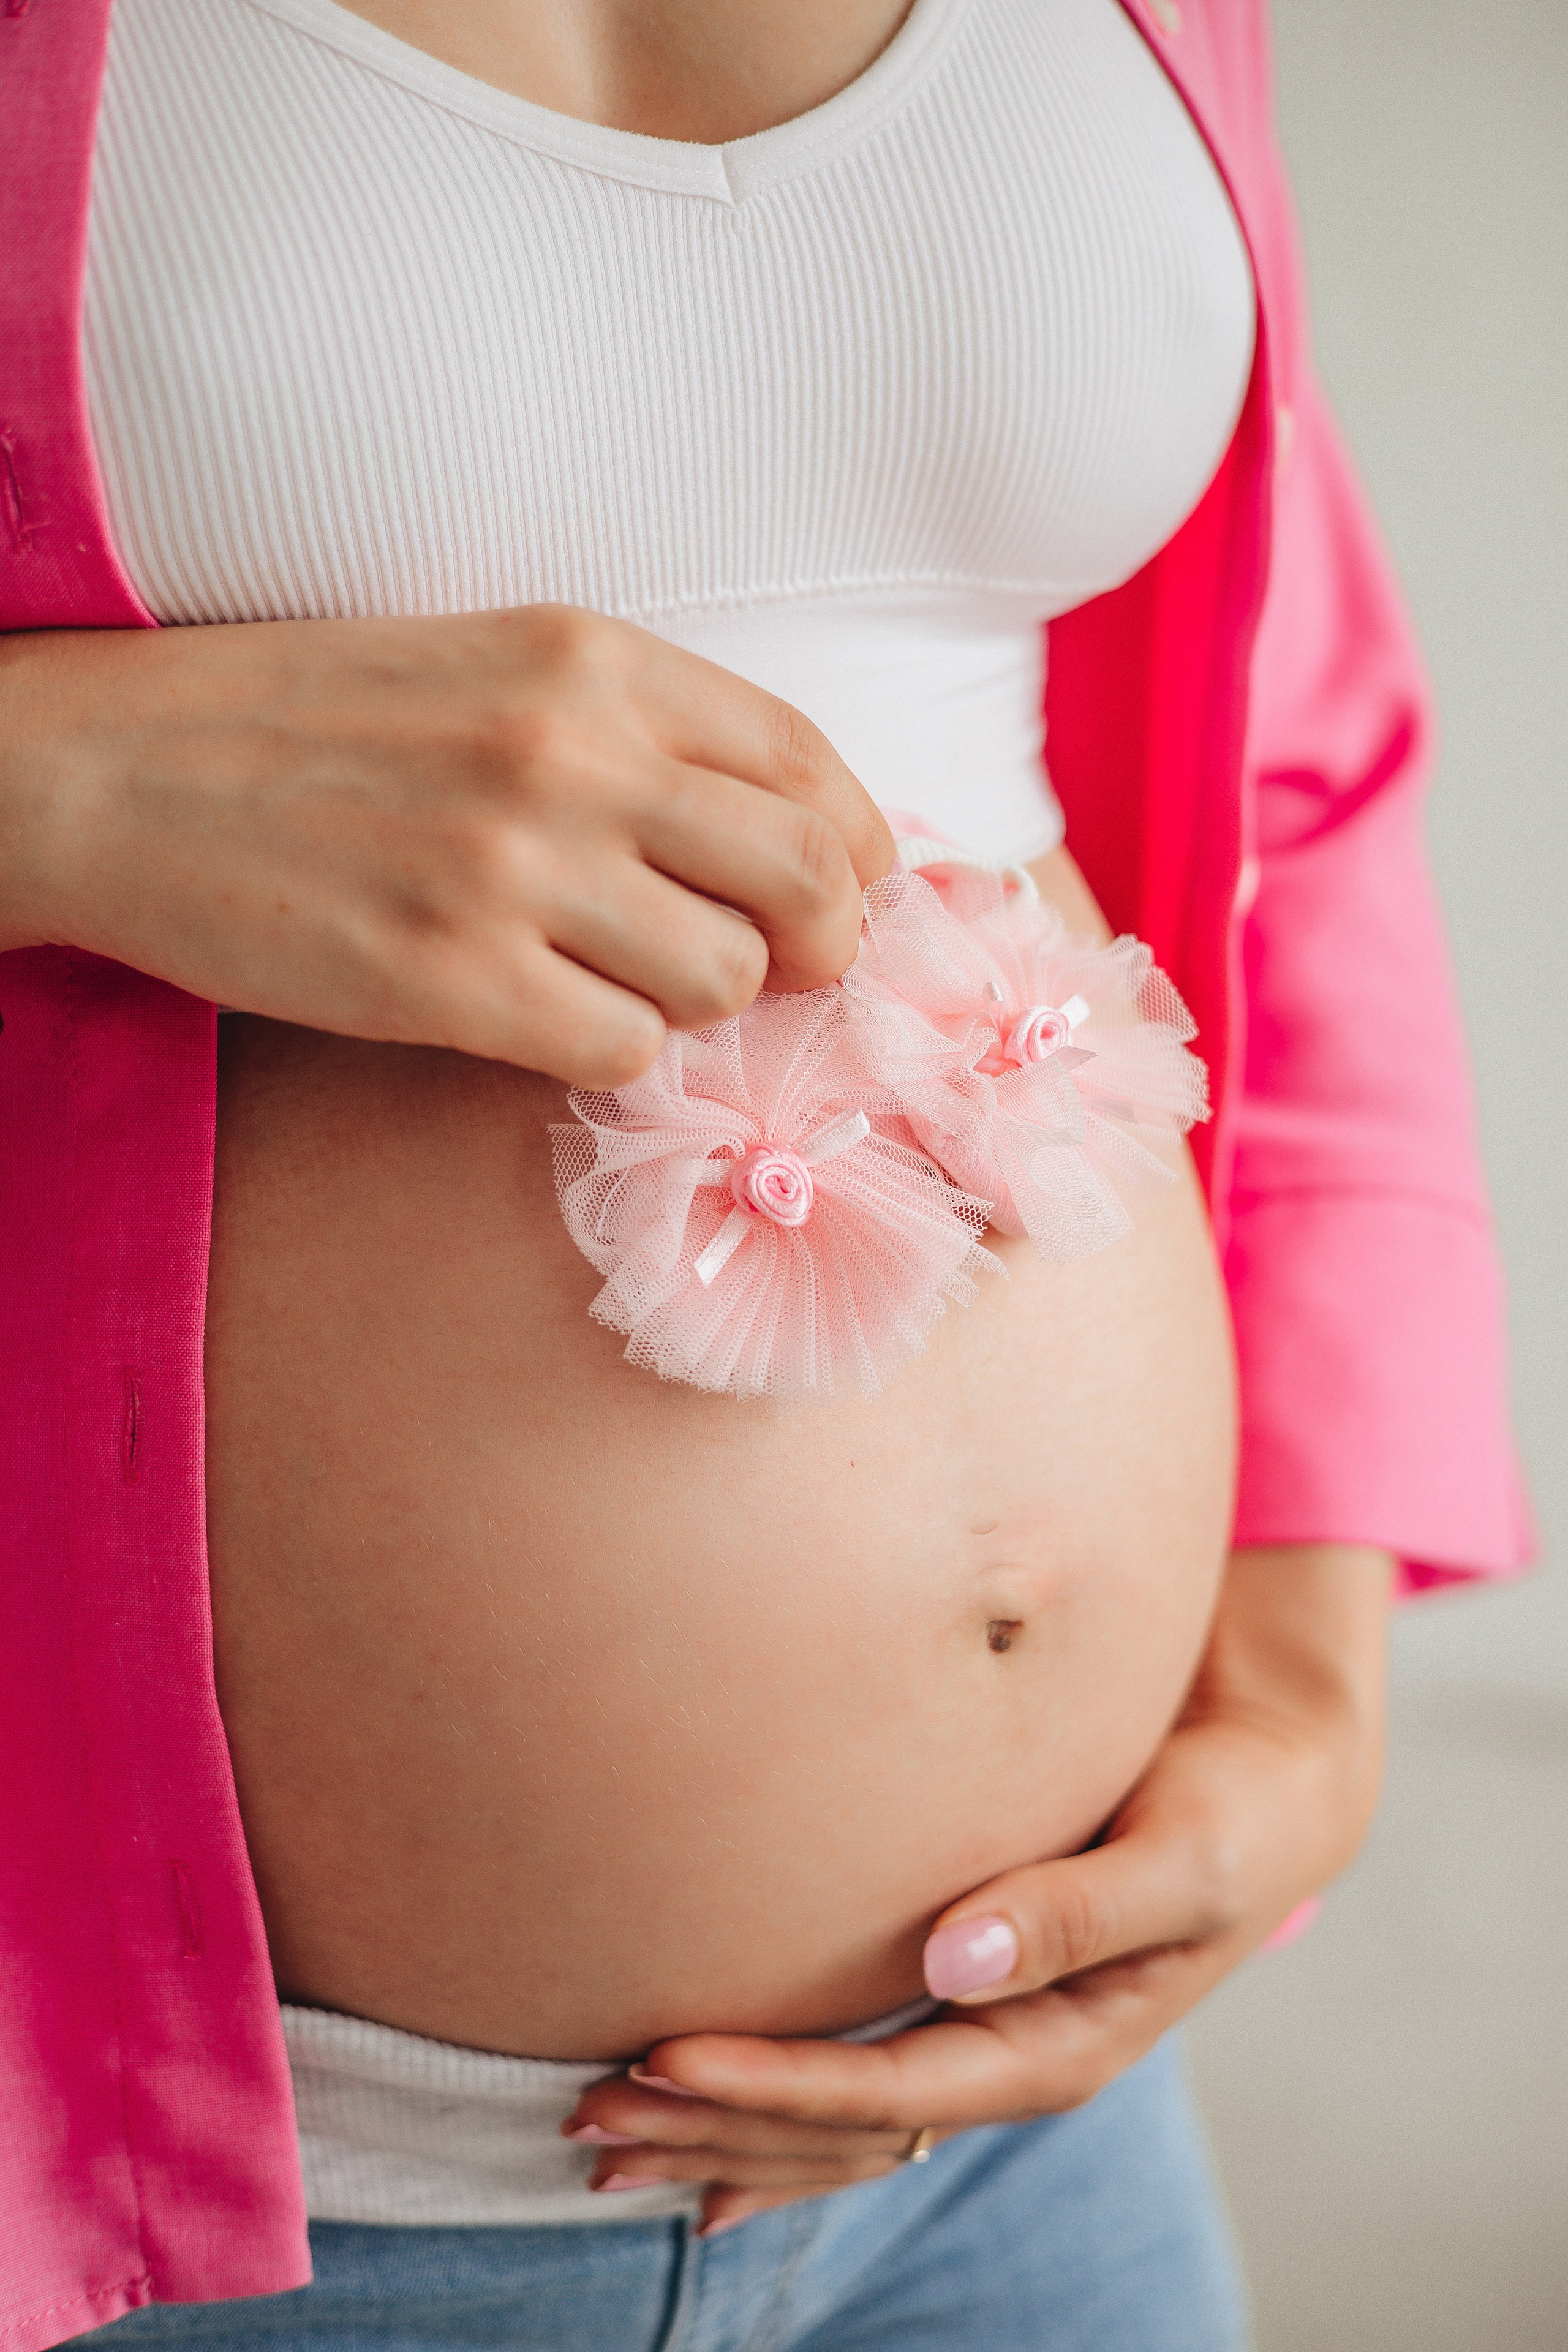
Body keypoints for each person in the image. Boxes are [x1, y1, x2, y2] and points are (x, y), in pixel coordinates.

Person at [0, 1, 1527, 2347]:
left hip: (1024, 2167)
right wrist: (61, 788)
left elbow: (1292, 791)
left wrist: (1307, 1676)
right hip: (212, 2217)